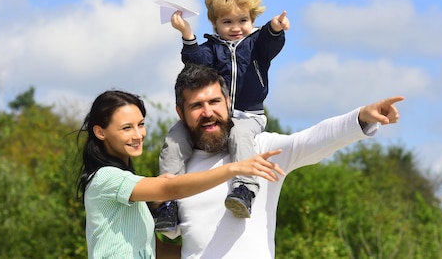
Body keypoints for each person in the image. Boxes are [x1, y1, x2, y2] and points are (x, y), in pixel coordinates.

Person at [158, 63, 404, 258]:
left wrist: (361, 117)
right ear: (181, 113)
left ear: (228, 103)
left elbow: (312, 140)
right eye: (196, 106)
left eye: (214, 102)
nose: (208, 112)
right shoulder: (176, 173)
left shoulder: (259, 149)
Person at [76, 89, 285, 259]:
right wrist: (234, 168)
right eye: (126, 128)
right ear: (100, 132)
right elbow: (171, 188)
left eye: (140, 125)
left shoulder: (131, 190)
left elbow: (155, 250)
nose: (138, 135)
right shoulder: (105, 178)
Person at [159, 0, 290, 224]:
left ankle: (245, 189)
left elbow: (270, 44)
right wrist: (187, 33)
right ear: (215, 24)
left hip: (248, 115)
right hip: (216, 116)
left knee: (239, 134)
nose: (235, 28)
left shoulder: (256, 44)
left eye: (242, 20)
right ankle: (168, 200)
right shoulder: (211, 48)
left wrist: (275, 28)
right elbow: (194, 64)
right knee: (174, 138)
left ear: (252, 19)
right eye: (227, 22)